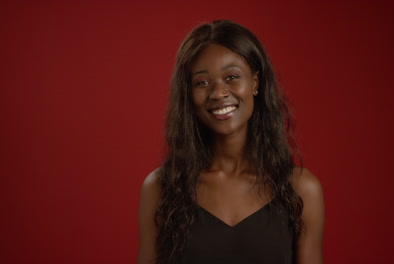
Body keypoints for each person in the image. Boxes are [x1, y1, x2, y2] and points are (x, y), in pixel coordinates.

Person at [138, 20, 325, 264]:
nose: (217, 93)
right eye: (202, 83)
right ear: (189, 94)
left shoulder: (301, 189)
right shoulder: (160, 188)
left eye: (232, 77)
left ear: (255, 83)